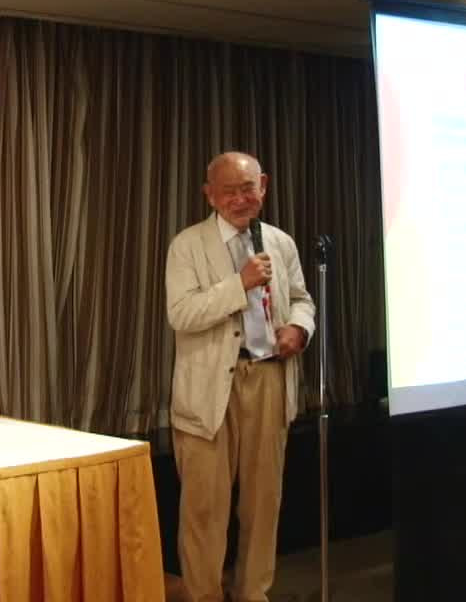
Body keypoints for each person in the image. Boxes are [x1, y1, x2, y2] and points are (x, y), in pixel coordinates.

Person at [165, 151, 317, 602]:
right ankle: (204, 596)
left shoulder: (280, 242)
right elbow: (181, 313)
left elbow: (301, 298)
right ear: (209, 195)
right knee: (205, 507)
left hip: (269, 377)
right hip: (210, 388)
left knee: (263, 502)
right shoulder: (188, 245)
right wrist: (240, 284)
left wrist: (299, 328)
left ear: (263, 187)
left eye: (247, 188)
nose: (239, 199)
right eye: (228, 191)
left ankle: (253, 592)